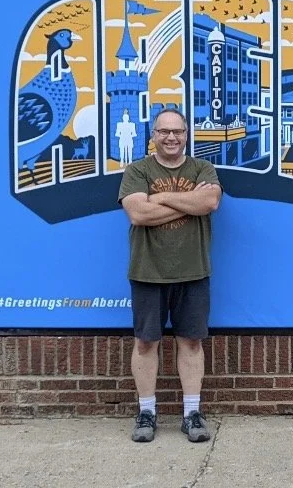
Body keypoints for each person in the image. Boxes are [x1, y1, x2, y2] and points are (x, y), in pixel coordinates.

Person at [118, 109, 222, 443]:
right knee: (146, 342)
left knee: (191, 341)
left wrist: (160, 197)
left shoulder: (202, 168)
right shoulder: (138, 170)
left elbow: (210, 202)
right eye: (164, 131)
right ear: (153, 135)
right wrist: (188, 201)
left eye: (177, 131)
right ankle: (146, 412)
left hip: (193, 269)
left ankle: (192, 413)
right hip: (148, 270)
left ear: (186, 134)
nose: (171, 137)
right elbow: (138, 213)